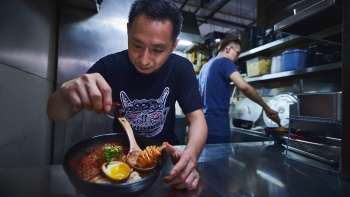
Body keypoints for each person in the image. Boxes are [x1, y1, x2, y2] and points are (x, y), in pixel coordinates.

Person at [47, 0, 207, 190]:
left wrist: (191, 156)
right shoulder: (110, 67)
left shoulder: (181, 68)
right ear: (128, 31)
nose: (145, 60)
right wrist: (66, 92)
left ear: (173, 46)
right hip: (120, 156)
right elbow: (54, 113)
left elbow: (197, 119)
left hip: (165, 157)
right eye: (137, 45)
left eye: (157, 50)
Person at [197, 36, 280, 144]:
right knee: (218, 160)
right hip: (217, 128)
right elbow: (244, 87)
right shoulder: (225, 62)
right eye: (237, 53)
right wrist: (266, 108)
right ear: (228, 49)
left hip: (200, 127)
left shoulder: (205, 67)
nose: (237, 58)